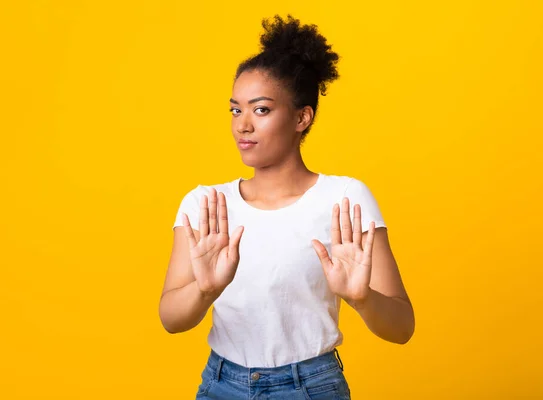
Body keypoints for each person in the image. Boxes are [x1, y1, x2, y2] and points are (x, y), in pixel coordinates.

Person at [159, 14, 415, 399]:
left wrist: (362, 298)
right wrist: (206, 291)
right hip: (221, 385)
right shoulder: (207, 206)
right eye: (235, 110)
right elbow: (171, 319)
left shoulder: (344, 200)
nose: (242, 125)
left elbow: (401, 327)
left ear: (301, 117)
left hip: (310, 387)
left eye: (260, 110)